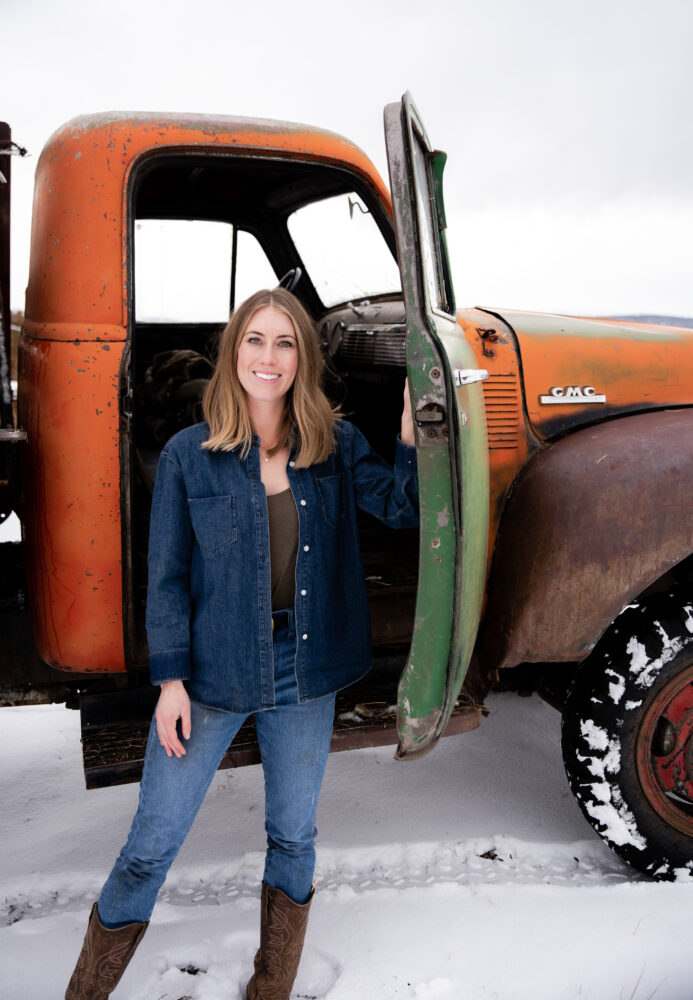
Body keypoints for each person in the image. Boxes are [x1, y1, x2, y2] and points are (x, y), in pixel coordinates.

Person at [65, 288, 419, 1000]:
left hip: (305, 670)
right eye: (254, 340)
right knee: (149, 848)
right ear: (233, 353)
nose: (269, 356)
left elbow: (403, 507)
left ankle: (271, 989)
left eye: (284, 343)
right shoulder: (186, 456)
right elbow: (164, 579)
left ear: (302, 358)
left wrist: (415, 422)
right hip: (211, 675)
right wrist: (170, 682)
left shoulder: (334, 445)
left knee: (293, 837)